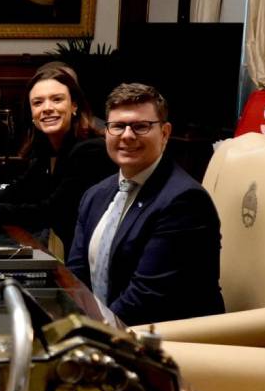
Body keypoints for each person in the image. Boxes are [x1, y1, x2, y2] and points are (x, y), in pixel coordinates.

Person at [65, 83, 224, 326]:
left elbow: (146, 299)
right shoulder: (95, 195)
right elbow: (75, 276)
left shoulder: (184, 201)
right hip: (108, 332)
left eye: (141, 126)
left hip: (168, 342)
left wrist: (91, 333)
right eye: (117, 126)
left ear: (165, 133)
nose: (127, 135)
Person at [0, 62, 116, 254]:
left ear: (74, 106)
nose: (47, 108)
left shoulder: (90, 150)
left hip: (98, 257)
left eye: (56, 99)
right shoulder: (48, 148)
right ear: (31, 113)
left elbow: (53, 212)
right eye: (38, 102)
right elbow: (21, 190)